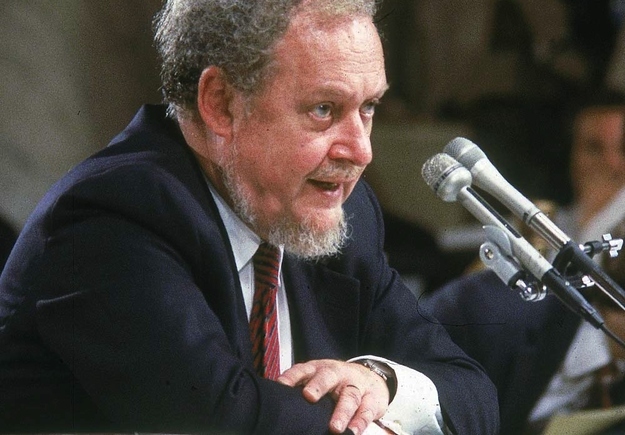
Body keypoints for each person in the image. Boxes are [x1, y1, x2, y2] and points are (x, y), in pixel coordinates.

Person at [0, 1, 499, 434]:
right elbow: (226, 421)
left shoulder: (341, 216)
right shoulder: (115, 218)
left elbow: (471, 393)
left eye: (368, 108)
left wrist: (380, 381)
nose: (361, 151)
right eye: (324, 109)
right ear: (220, 104)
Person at [420, 90, 625, 434]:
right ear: (571, 157)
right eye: (594, 149)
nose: (612, 165)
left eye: (624, 149)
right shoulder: (535, 225)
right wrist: (592, 225)